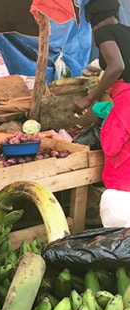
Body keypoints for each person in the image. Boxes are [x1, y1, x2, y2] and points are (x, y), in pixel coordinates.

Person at [75, 0, 130, 227]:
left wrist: (89, 98)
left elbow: (117, 66)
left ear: (92, 22)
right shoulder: (127, 31)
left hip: (126, 103)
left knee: (116, 149)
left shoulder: (103, 31)